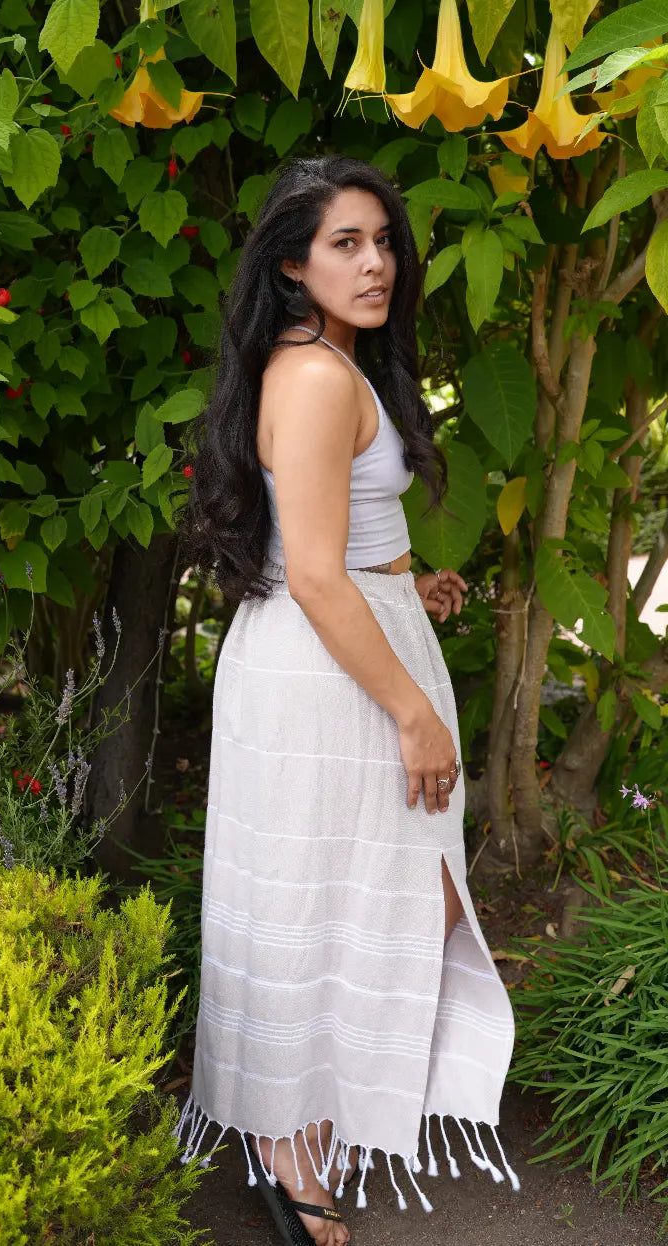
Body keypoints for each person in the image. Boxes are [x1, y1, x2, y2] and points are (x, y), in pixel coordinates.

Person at [175, 155, 518, 1246]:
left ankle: (302, 1127)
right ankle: (287, 1147)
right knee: (347, 891)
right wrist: (413, 711)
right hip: (328, 675)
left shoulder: (325, 363)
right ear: (291, 262)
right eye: (345, 244)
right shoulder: (319, 376)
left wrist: (403, 577)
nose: (375, 263)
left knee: (341, 888)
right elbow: (314, 574)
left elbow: (318, 544)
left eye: (382, 241)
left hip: (332, 645)